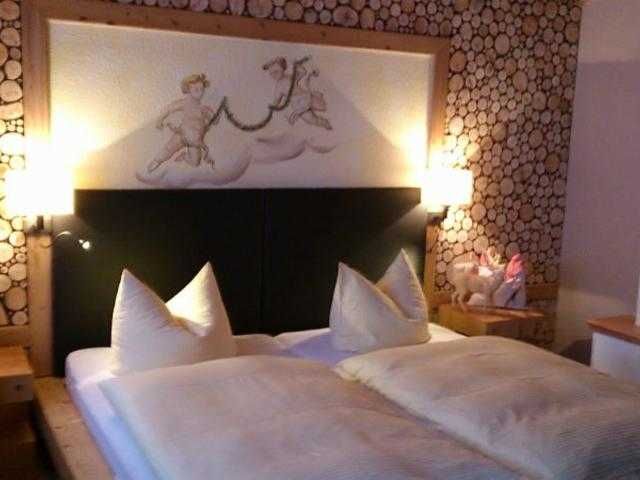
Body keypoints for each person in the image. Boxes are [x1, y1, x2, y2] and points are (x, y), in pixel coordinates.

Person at [147, 73, 215, 173]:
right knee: (168, 149)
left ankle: (184, 156)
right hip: (182, 134)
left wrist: (212, 118)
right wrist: (160, 120)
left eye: (202, 89)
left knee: (195, 162)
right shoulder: (184, 103)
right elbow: (169, 108)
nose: (200, 93)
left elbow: (214, 120)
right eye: (196, 90)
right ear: (188, 90)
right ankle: (157, 160)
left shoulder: (203, 109)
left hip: (194, 141)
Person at [263, 57, 332, 131]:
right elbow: (277, 100)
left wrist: (296, 65)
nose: (274, 75)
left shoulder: (289, 77)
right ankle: (325, 123)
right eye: (271, 74)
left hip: (305, 96)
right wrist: (272, 107)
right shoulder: (278, 87)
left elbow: (302, 72)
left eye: (276, 72)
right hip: (298, 103)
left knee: (323, 106)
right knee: (310, 119)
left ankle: (331, 120)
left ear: (283, 69)